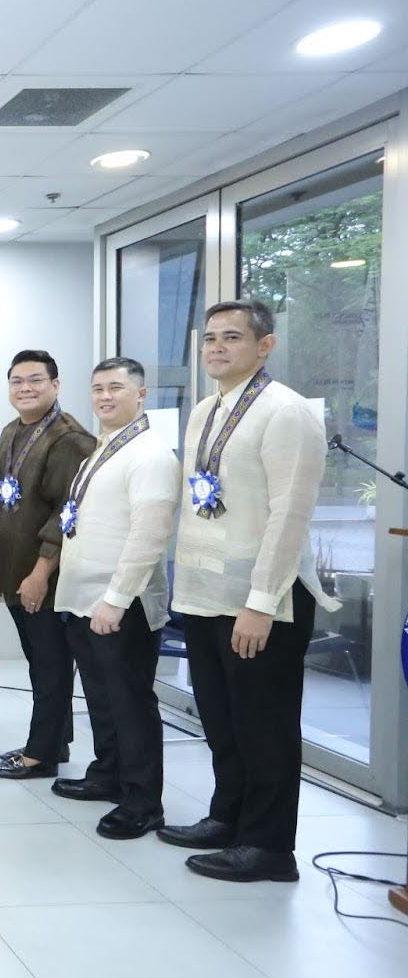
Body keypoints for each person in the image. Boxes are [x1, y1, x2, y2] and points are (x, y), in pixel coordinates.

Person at [160, 299, 337, 882]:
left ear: (265, 346)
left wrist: (260, 603)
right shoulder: (207, 409)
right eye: (210, 337)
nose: (216, 347)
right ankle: (228, 817)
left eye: (232, 337)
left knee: (264, 725)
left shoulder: (286, 412)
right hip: (208, 593)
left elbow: (290, 514)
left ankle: (267, 846)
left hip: (265, 599)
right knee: (222, 719)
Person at [53, 357, 180, 838]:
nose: (105, 397)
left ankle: (143, 800)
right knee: (102, 699)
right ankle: (108, 774)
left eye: (116, 388)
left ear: (141, 395)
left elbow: (149, 536)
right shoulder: (102, 450)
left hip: (121, 603)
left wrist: (117, 597)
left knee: (130, 703)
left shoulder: (150, 454)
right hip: (84, 599)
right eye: (98, 388)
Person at [0, 350, 96, 780]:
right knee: (39, 662)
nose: (25, 389)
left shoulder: (68, 438)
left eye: (35, 380)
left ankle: (40, 753)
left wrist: (40, 573)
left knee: (50, 666)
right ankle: (55, 742)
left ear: (56, 384)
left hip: (43, 577)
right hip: (15, 571)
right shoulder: (12, 431)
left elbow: (67, 513)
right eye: (17, 381)